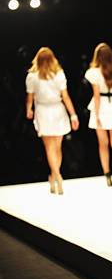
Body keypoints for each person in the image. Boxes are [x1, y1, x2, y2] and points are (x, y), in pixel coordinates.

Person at [25, 47, 79, 195]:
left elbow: (30, 96)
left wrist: (28, 109)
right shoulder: (59, 74)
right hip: (58, 110)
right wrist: (73, 115)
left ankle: (56, 175)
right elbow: (66, 96)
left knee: (49, 147)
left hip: (43, 111)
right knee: (57, 146)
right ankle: (56, 175)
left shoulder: (32, 76)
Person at [85, 43, 112, 187]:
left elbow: (97, 95)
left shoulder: (94, 72)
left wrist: (97, 115)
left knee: (103, 144)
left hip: (103, 106)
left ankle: (108, 176)